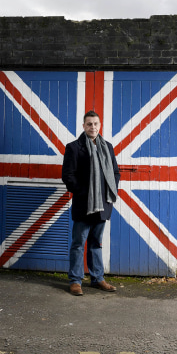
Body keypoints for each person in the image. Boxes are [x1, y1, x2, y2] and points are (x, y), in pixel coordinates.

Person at [61, 110, 120, 296]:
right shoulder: (73, 147)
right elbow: (68, 176)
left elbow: (115, 173)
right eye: (89, 124)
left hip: (103, 205)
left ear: (99, 125)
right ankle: (75, 281)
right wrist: (84, 192)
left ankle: (97, 279)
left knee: (96, 243)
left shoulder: (108, 147)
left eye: (95, 124)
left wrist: (105, 191)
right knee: (78, 243)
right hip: (83, 204)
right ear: (83, 126)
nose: (92, 127)